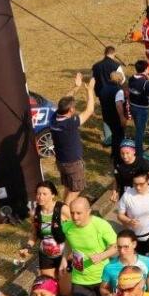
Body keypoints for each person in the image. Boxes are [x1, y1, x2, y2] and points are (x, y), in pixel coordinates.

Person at [62, 195, 119, 296]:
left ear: (88, 212)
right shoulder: (67, 226)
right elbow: (67, 243)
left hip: (101, 277)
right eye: (72, 213)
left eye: (79, 213)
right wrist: (64, 258)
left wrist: (101, 256)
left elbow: (116, 245)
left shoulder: (100, 225)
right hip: (79, 278)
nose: (75, 217)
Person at [49, 73, 98, 205]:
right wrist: (90, 90)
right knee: (76, 189)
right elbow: (89, 110)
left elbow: (64, 100)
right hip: (73, 163)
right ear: (71, 110)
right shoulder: (69, 123)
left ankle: (65, 207)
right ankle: (64, 211)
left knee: (68, 187)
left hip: (61, 161)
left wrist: (76, 87)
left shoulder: (54, 119)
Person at [27, 181, 70, 280]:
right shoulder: (34, 213)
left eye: (44, 194)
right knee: (49, 284)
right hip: (46, 255)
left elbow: (75, 230)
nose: (40, 197)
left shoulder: (63, 209)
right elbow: (34, 233)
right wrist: (27, 247)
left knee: (65, 287)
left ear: (53, 195)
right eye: (38, 194)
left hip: (64, 254)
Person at [118, 171, 149, 255]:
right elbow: (120, 215)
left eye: (141, 184)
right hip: (137, 237)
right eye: (135, 184)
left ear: (148, 181)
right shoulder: (127, 195)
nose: (138, 187)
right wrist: (129, 221)